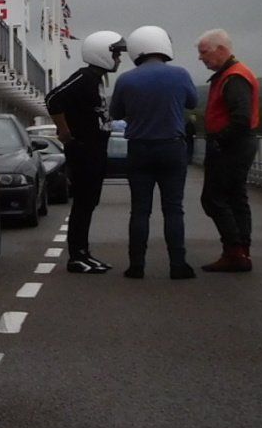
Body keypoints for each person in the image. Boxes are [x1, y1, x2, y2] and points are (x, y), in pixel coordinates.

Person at [108, 25, 199, 279]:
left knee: (140, 210)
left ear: (138, 49)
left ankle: (136, 265)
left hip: (139, 148)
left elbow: (115, 113)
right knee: (173, 208)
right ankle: (178, 264)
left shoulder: (126, 79)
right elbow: (192, 102)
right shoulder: (180, 74)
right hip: (172, 147)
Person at [48, 29, 126, 273]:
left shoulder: (98, 80)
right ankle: (77, 256)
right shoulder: (83, 77)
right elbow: (53, 98)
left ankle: (84, 252)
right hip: (83, 152)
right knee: (82, 204)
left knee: (90, 203)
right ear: (102, 53)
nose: (119, 59)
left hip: (96, 151)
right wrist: (64, 131)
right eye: (115, 53)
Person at [196, 28, 259, 272]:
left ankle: (234, 251)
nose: (201, 58)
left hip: (232, 145)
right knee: (235, 197)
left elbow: (241, 117)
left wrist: (219, 140)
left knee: (214, 198)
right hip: (239, 143)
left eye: (204, 53)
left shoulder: (234, 77)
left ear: (221, 50)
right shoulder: (233, 74)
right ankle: (241, 251)